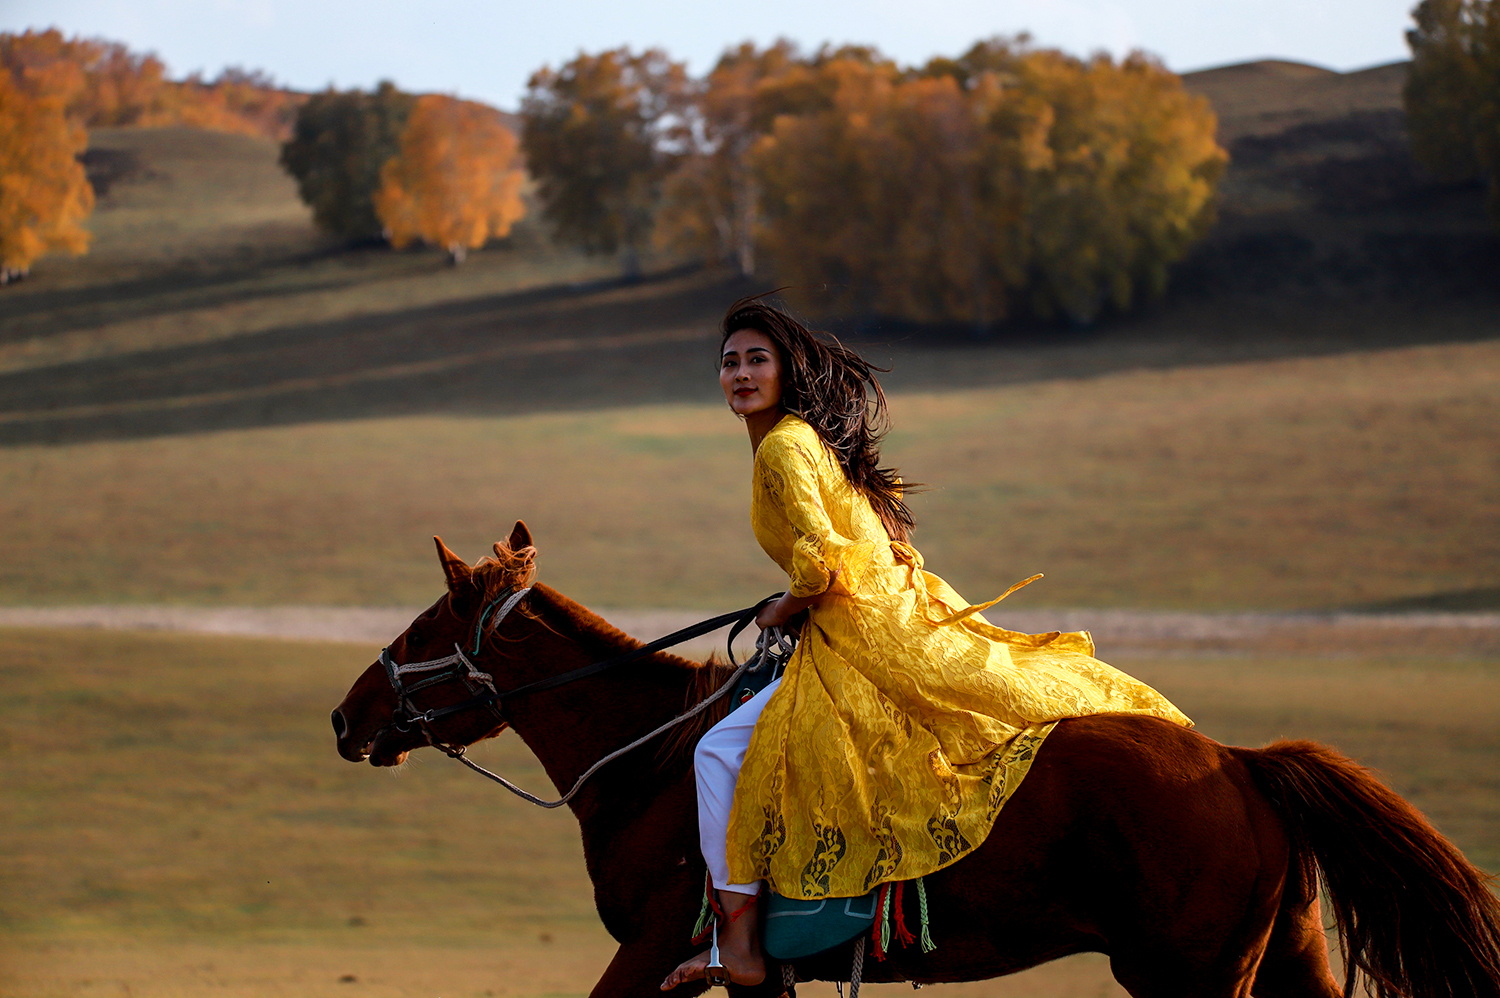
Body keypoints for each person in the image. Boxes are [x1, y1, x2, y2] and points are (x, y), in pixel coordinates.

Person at [661, 297, 1191, 990]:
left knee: (716, 752)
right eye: (729, 362)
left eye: (756, 359)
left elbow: (822, 561)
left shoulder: (785, 448)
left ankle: (738, 943)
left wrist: (780, 611)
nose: (740, 373)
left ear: (787, 370)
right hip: (889, 615)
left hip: (862, 637)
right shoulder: (804, 440)